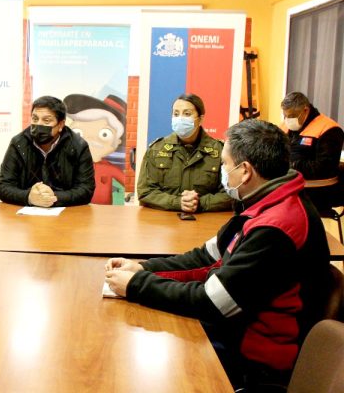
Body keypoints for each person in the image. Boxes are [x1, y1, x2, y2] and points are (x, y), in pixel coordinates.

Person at [106, 119, 332, 389]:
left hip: (257, 360)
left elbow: (213, 303)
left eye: (225, 164)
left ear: (245, 171)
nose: (222, 172)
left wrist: (136, 286)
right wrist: (143, 268)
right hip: (238, 331)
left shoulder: (276, 226)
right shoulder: (262, 204)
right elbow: (205, 256)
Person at [137, 93, 232, 212]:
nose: (180, 118)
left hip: (204, 222)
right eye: (176, 114)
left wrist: (199, 203)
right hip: (164, 223)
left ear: (200, 119)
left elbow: (230, 194)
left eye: (187, 114)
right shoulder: (157, 149)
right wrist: (177, 203)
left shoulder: (219, 151)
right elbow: (145, 192)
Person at [0, 95, 95, 207]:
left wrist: (51, 198)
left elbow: (86, 190)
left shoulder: (78, 146)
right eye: (35, 119)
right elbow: (3, 187)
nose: (39, 124)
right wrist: (29, 196)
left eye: (46, 120)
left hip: (66, 214)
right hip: (25, 217)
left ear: (61, 125)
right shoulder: (19, 144)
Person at [280, 91, 344, 212]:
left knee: (277, 206)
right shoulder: (285, 126)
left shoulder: (330, 129)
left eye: (292, 115)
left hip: (318, 190)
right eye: (285, 115)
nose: (288, 119)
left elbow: (324, 167)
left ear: (305, 110)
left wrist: (292, 166)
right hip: (290, 185)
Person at [65, 93, 127, 205]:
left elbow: (126, 183)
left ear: (117, 142)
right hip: (75, 211)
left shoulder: (110, 169)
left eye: (104, 134)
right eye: (79, 133)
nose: (90, 140)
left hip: (103, 214)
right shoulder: (68, 165)